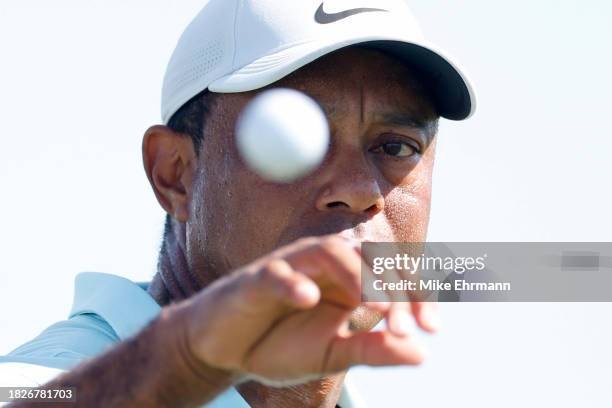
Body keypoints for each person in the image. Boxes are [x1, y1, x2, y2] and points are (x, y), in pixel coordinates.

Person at [0, 0, 475, 406]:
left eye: (396, 148)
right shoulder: (45, 379)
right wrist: (181, 364)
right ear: (175, 175)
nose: (359, 190)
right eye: (294, 138)